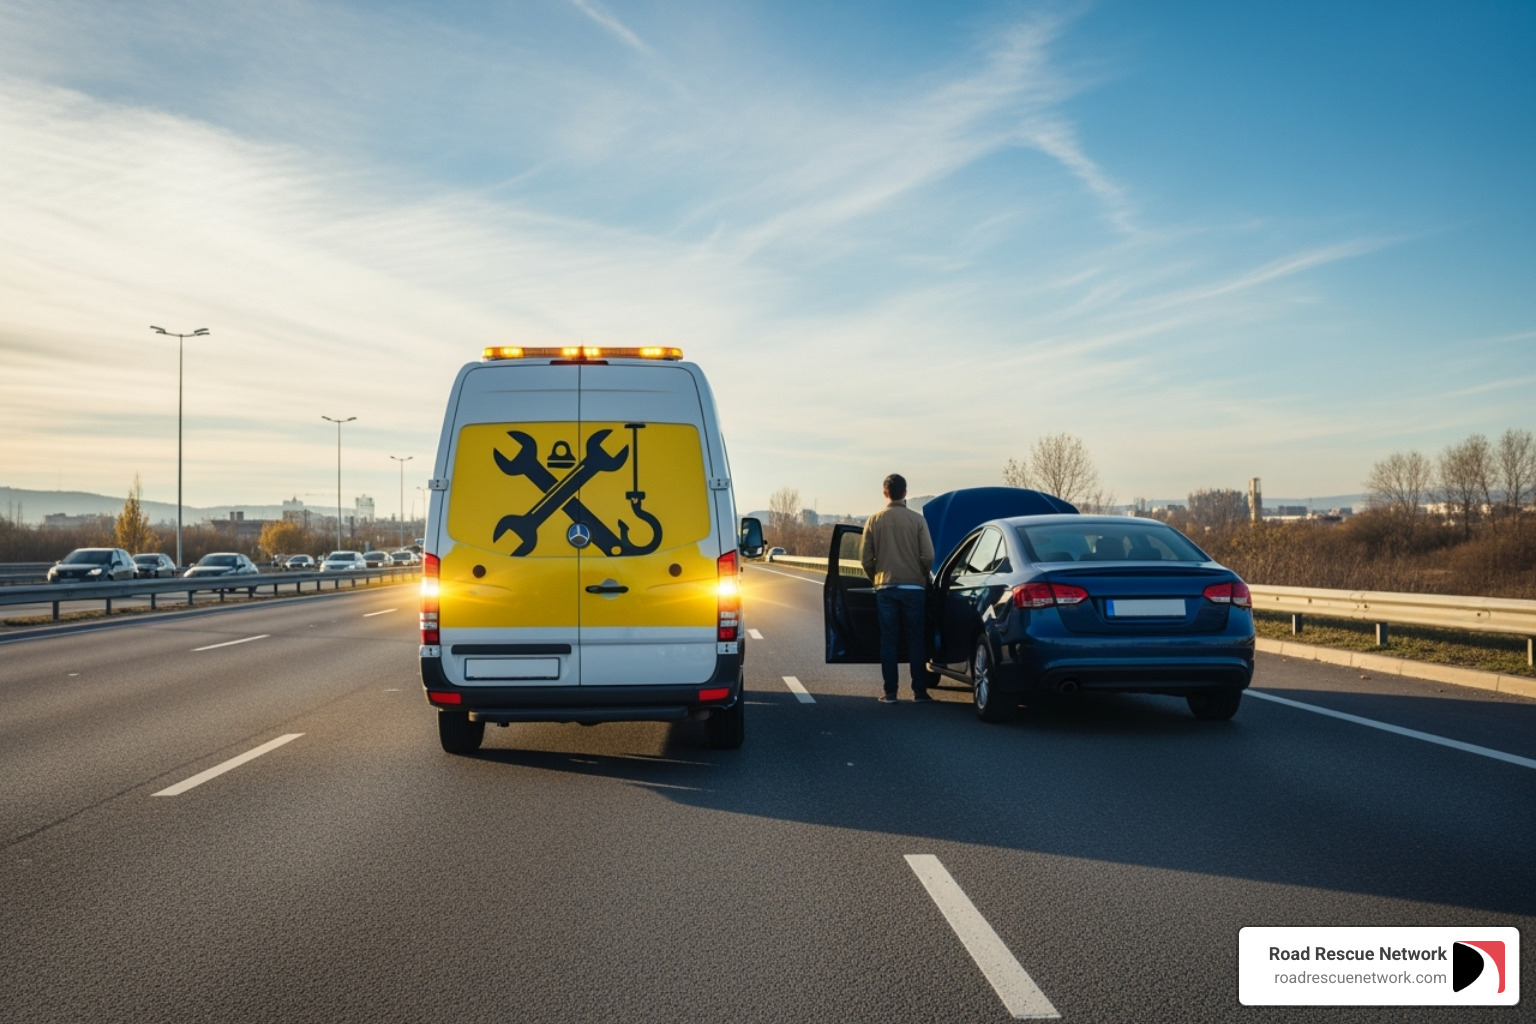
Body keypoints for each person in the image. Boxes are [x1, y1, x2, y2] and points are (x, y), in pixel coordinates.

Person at [859, 473, 935, 703]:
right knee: (915, 639)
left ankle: (890, 692)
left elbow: (865, 558)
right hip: (914, 587)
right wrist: (921, 575)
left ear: (885, 493)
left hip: (886, 587)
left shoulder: (874, 520)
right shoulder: (917, 520)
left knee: (888, 640)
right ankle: (919, 691)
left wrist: (876, 578)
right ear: (905, 493)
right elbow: (929, 555)